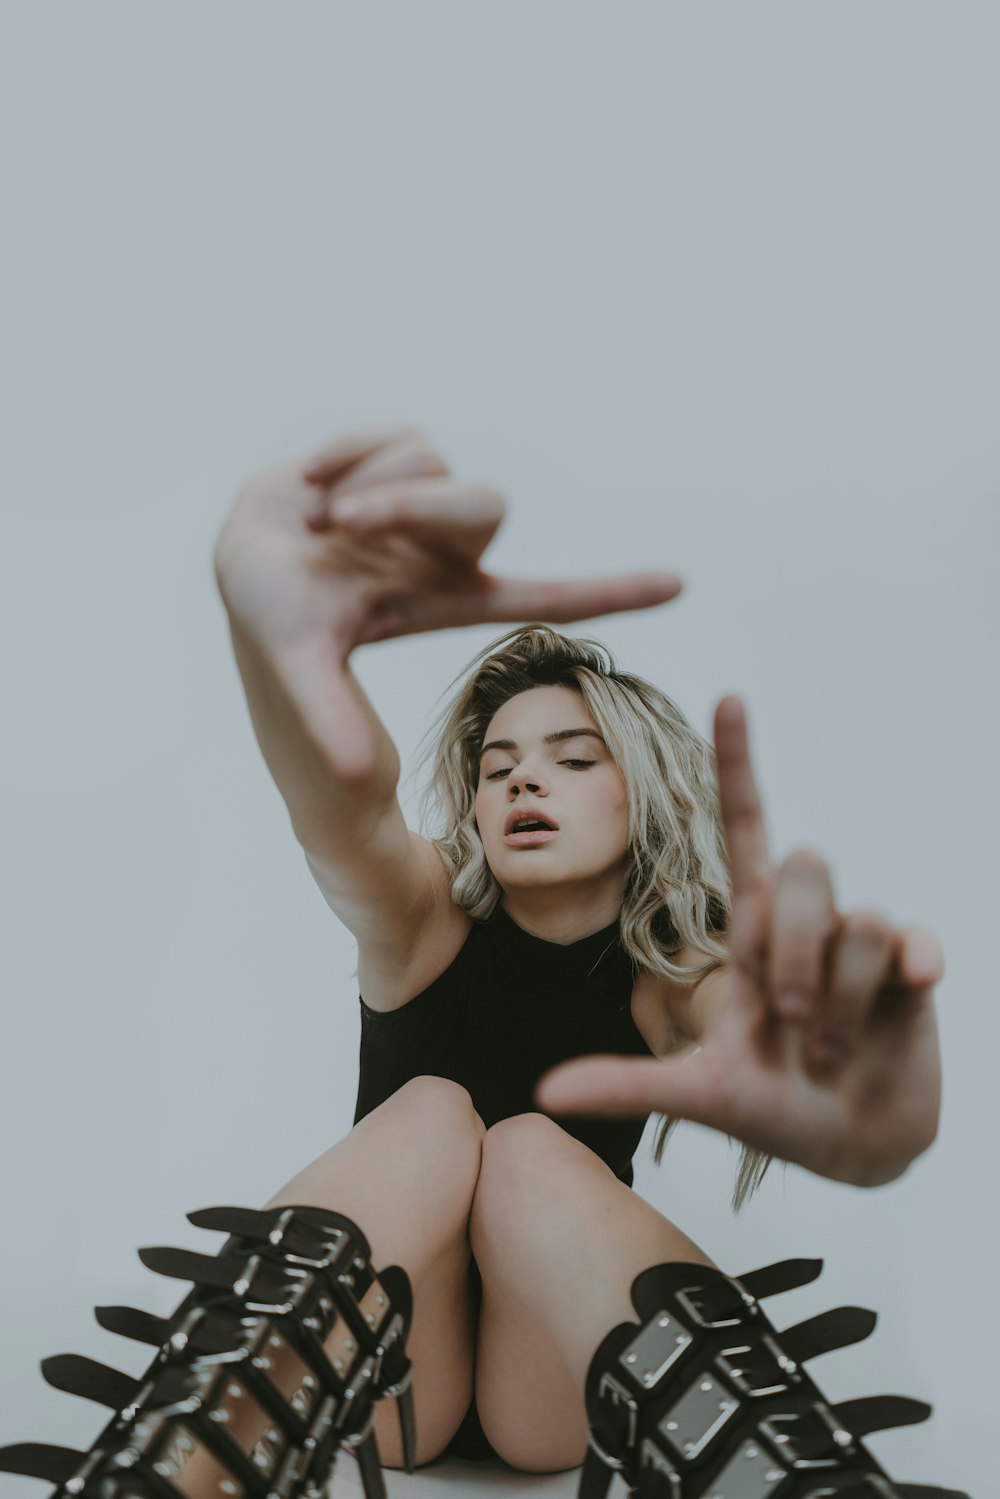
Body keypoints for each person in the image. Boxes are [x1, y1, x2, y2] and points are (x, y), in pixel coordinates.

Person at [211, 423, 945, 1476]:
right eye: (497, 762)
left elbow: (726, 1001)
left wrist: (820, 1062)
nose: (519, 780)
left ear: (637, 788)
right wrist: (274, 651)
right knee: (432, 1115)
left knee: (524, 1150)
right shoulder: (424, 924)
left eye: (567, 756)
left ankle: (784, 1464)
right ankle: (170, 1448)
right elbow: (346, 813)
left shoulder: (666, 975)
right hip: (382, 1375)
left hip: (548, 1382)